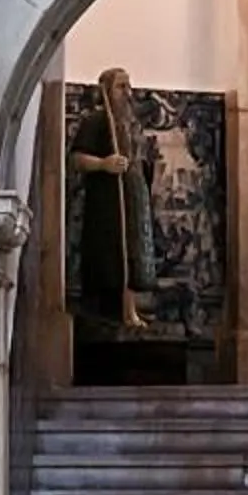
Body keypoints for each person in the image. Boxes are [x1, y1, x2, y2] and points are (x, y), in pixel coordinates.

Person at [67, 68, 159, 336]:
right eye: (121, 87)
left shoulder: (130, 126)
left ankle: (129, 308)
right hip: (108, 203)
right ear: (107, 91)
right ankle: (112, 311)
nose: (128, 93)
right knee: (111, 255)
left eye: (129, 86)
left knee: (132, 253)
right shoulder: (97, 122)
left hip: (132, 199)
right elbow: (77, 159)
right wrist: (104, 164)